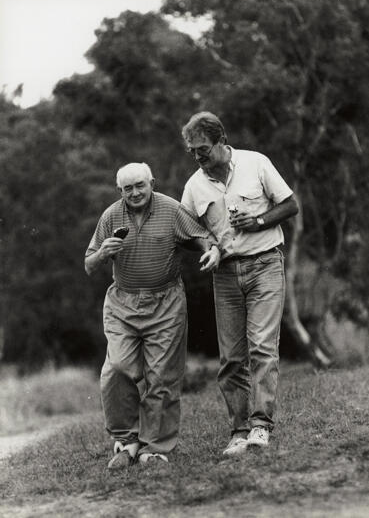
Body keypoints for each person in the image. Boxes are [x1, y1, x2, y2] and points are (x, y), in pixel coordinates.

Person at [85, 162, 220, 468]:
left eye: (140, 186)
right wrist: (103, 253)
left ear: (152, 183)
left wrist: (210, 250)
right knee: (116, 369)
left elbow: (201, 235)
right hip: (122, 304)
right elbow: (89, 265)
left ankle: (155, 448)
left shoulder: (170, 209)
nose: (135, 193)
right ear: (120, 191)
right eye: (128, 188)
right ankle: (126, 440)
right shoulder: (110, 216)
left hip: (166, 303)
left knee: (161, 377)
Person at [181, 111, 298, 456]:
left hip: (266, 264)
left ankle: (261, 427)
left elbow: (290, 205)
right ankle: (239, 431)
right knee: (232, 357)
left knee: (262, 346)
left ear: (222, 141)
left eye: (202, 148)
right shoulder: (194, 186)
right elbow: (188, 230)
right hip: (226, 275)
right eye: (192, 151)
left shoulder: (256, 163)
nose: (198, 156)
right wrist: (209, 247)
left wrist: (259, 220)